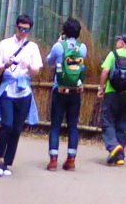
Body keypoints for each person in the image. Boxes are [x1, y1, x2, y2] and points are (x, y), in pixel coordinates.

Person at [0, 13, 43, 177]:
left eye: (26, 29)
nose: (23, 32)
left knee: (17, 128)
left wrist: (28, 67)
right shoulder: (5, 44)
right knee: (7, 125)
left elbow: (36, 72)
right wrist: (6, 64)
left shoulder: (32, 47)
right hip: (7, 90)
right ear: (16, 27)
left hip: (24, 91)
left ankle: (7, 163)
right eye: (20, 28)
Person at [44, 17, 89, 171]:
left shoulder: (59, 46)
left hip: (60, 89)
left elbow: (49, 61)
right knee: (73, 126)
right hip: (76, 90)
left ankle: (53, 160)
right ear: (78, 33)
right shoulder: (82, 47)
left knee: (55, 125)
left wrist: (57, 43)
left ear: (64, 31)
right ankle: (71, 160)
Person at [98, 33, 126, 165]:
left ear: (122, 43)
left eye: (119, 40)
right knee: (122, 124)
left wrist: (101, 88)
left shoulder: (113, 55)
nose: (117, 42)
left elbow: (105, 72)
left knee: (107, 121)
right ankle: (120, 156)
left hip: (112, 93)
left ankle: (113, 146)